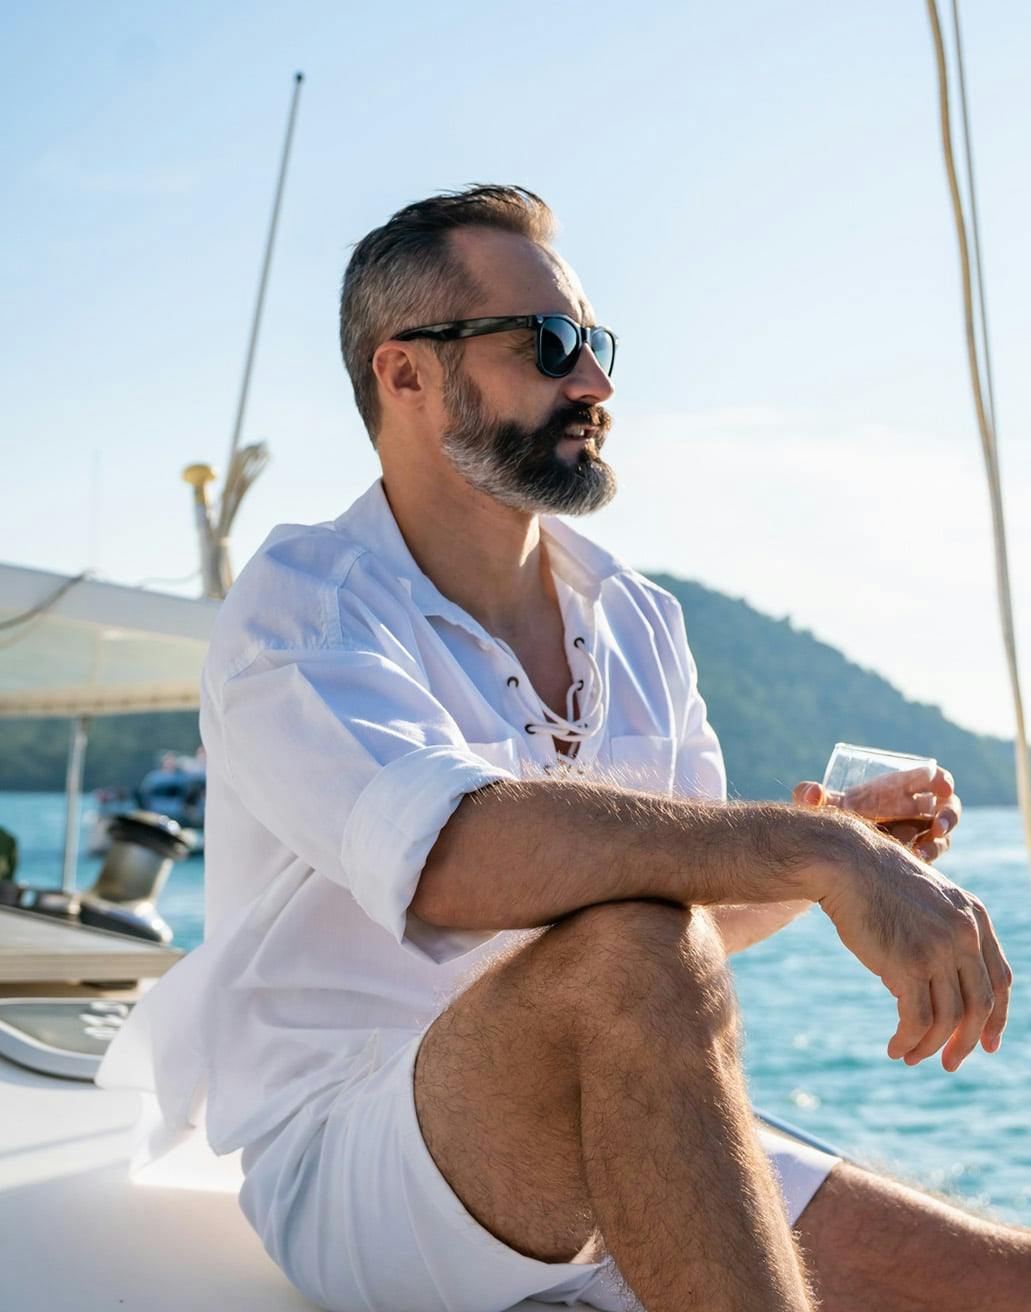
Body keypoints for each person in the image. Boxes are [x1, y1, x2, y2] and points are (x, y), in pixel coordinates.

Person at [99, 185, 1024, 1312]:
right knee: (628, 945)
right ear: (404, 374)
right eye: (547, 344)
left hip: (612, 1096)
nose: (593, 382)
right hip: (359, 1148)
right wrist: (822, 855)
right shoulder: (303, 609)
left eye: (594, 343)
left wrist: (829, 844)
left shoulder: (635, 618)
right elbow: (456, 860)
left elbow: (690, 935)